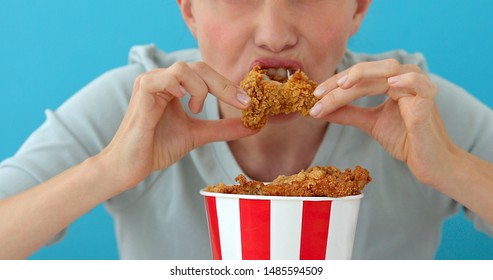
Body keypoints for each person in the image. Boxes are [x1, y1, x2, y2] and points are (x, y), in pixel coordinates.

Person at [0, 0, 492, 260]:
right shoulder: (138, 105)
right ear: (189, 8)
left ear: (358, 8)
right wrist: (106, 170)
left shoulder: (413, 106)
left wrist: (451, 168)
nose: (274, 32)